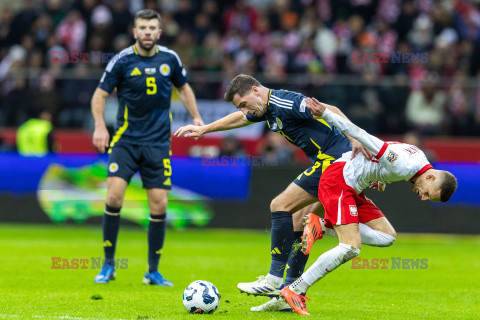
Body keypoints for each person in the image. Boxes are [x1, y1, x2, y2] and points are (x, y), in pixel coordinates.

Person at [175, 74, 399, 312]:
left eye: (244, 103)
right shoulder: (265, 109)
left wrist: (355, 138)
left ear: (256, 91)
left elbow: (329, 109)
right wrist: (206, 129)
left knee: (279, 205)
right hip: (332, 162)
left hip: (335, 160)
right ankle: (290, 294)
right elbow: (241, 118)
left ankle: (273, 279)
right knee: (298, 222)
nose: (245, 109)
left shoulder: (284, 102)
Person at [280, 98, 458, 315]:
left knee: (387, 237)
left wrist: (378, 177)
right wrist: (325, 113)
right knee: (351, 247)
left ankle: (322, 226)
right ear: (430, 177)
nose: (423, 198)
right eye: (428, 194)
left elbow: (384, 158)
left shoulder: (417, 159)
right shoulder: (404, 165)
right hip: (339, 180)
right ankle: (295, 290)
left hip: (354, 185)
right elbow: (362, 136)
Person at [91, 9, 203, 286]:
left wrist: (197, 117)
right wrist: (99, 126)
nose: (148, 32)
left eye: (153, 28)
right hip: (125, 142)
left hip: (158, 143)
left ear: (159, 32)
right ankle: (108, 265)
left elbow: (185, 88)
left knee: (159, 204)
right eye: (143, 27)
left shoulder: (170, 59)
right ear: (135, 32)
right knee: (114, 196)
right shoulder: (122, 60)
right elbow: (99, 95)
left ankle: (152, 271)